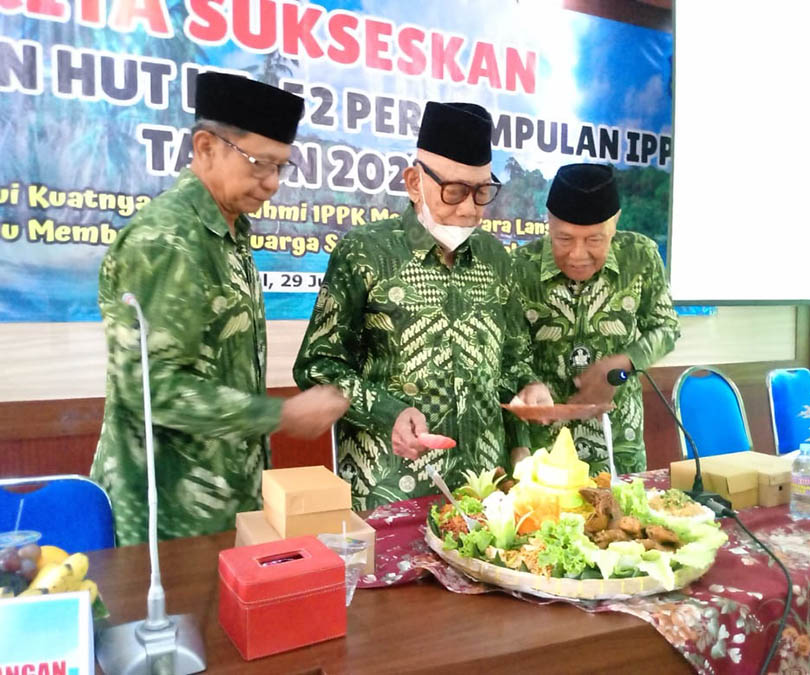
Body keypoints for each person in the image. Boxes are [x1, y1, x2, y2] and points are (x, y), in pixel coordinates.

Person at [91, 73, 349, 545]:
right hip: (166, 517)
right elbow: (148, 388)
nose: (272, 183)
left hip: (229, 500)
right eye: (260, 164)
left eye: (281, 167)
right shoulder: (167, 239)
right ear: (206, 147)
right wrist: (281, 416)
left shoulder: (228, 233)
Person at [294, 101, 552, 509]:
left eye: (482, 192)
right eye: (454, 191)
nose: (469, 209)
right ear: (415, 182)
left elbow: (513, 361)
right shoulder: (365, 253)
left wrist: (528, 392)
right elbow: (317, 366)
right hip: (390, 488)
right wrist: (388, 412)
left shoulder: (496, 259)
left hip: (485, 491)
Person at [510, 163, 680, 474]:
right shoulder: (521, 267)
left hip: (619, 445)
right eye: (564, 239)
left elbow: (667, 327)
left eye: (594, 240)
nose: (577, 254)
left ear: (614, 223)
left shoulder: (640, 256)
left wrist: (626, 363)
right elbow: (510, 352)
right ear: (548, 222)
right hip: (546, 450)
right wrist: (529, 385)